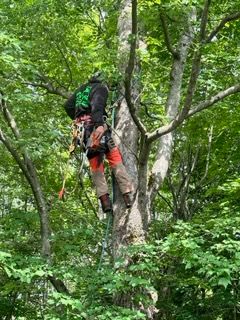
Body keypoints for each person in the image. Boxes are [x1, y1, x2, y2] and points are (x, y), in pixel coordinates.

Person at [64, 73, 133, 213]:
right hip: (96, 128)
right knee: (115, 158)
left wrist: (78, 116)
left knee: (96, 165)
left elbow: (68, 105)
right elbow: (97, 107)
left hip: (83, 133)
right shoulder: (100, 88)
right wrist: (100, 124)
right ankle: (127, 194)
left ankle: (105, 201)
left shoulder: (81, 89)